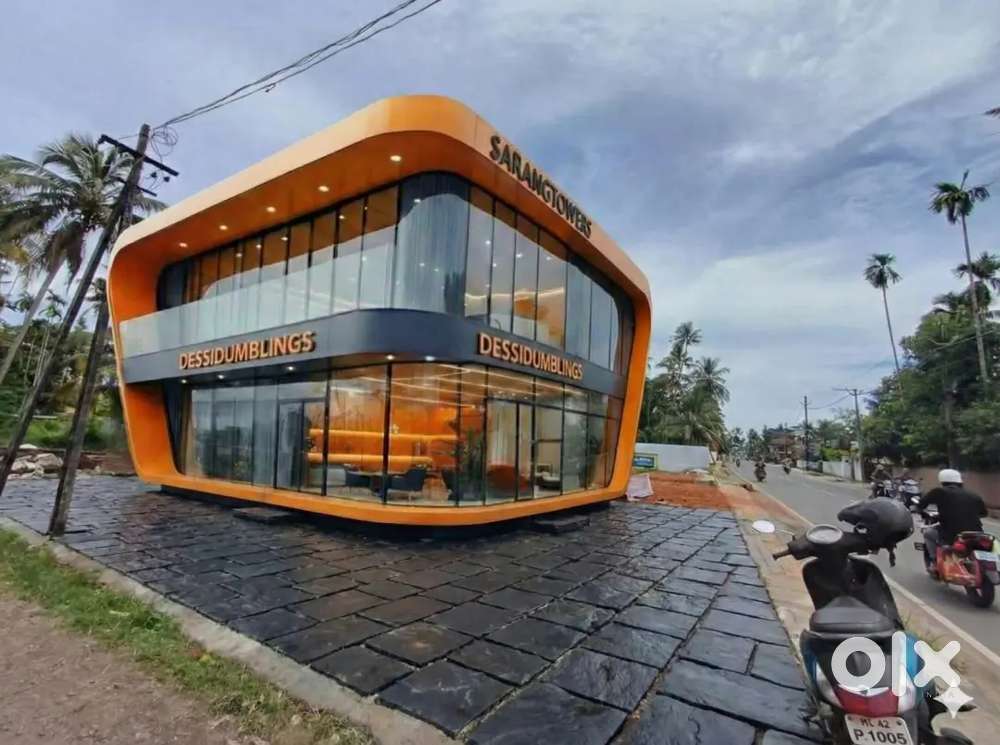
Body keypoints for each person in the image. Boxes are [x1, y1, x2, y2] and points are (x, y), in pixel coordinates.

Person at [916, 469, 988, 571]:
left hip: (951, 534)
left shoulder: (939, 491)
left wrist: (919, 509)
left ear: (942, 480)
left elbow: (921, 504)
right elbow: (984, 513)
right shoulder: (974, 495)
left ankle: (934, 562)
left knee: (928, 533)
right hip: (976, 534)